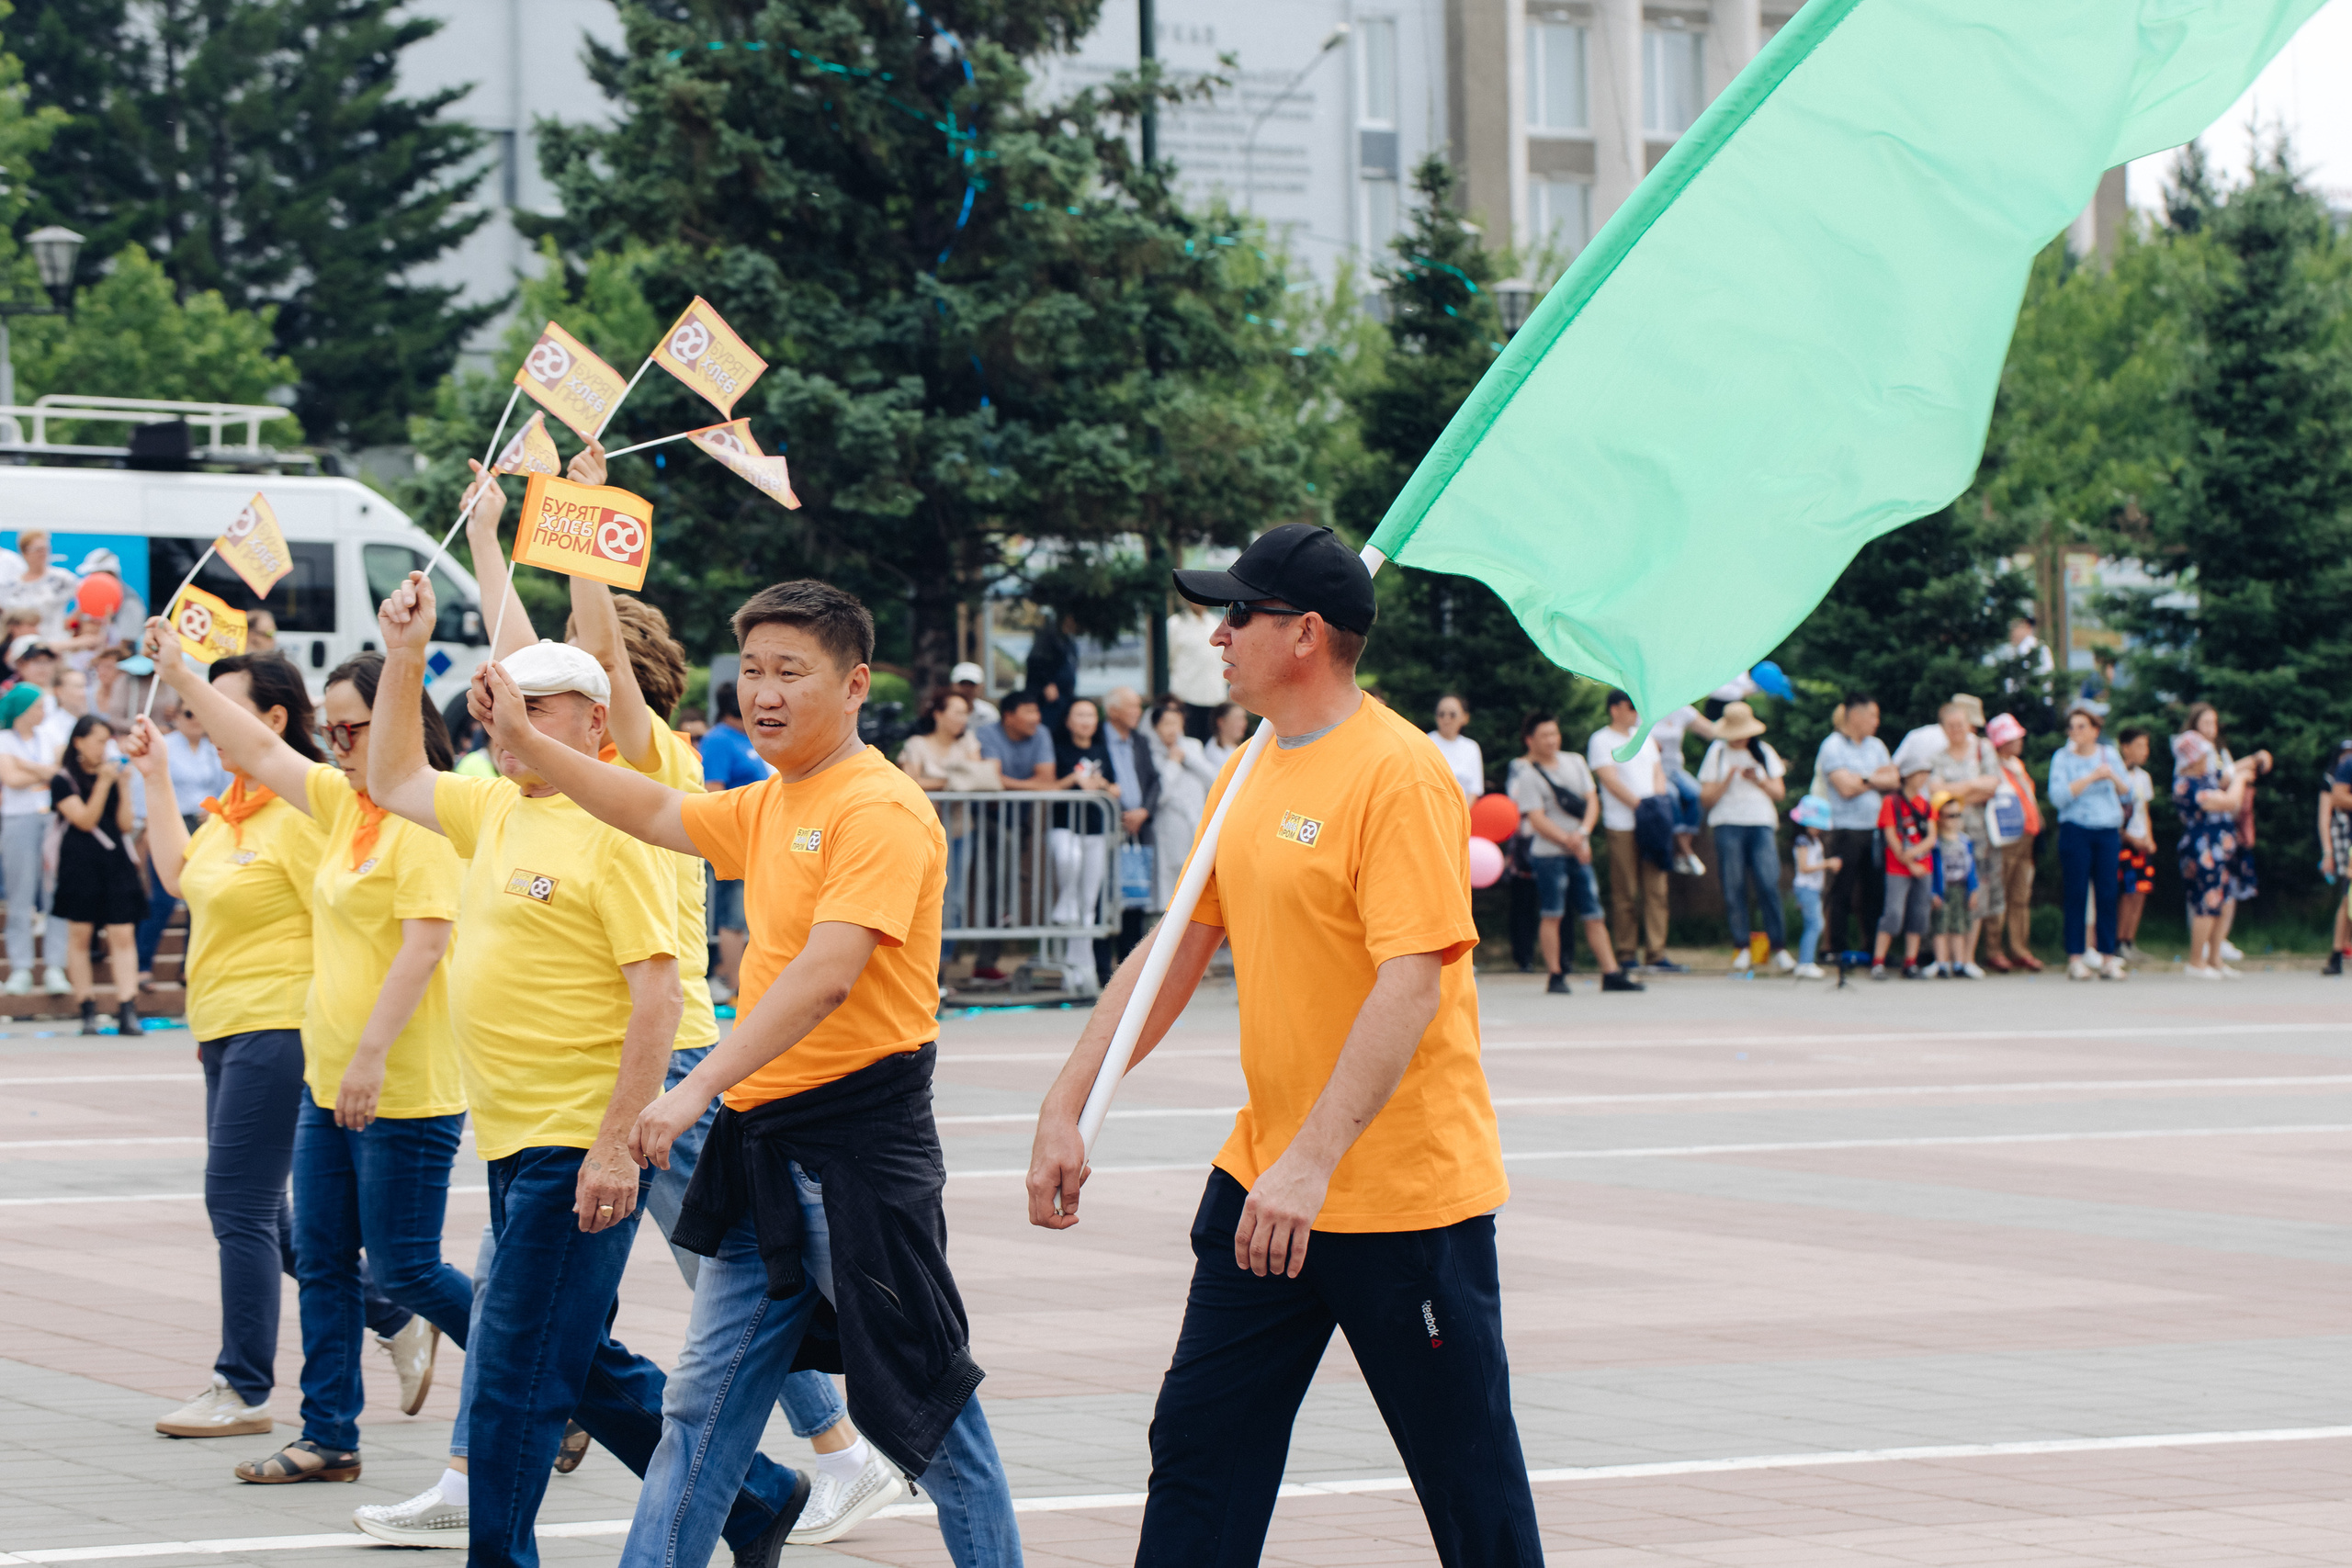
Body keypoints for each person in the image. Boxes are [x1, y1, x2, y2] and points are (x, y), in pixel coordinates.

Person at [459, 576, 1023, 1568]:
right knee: (698, 1411)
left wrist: (690, 1088)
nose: (764, 692)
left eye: (790, 671)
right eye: (753, 670)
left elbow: (827, 974)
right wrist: (531, 744)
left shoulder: (880, 807)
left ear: (855, 685)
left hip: (859, 1155)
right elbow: (649, 807)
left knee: (928, 1414)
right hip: (763, 1154)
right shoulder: (771, 801)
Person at [1026, 524, 1543, 1566]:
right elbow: (1173, 951)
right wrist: (1067, 1101)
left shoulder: (1399, 773)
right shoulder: (1247, 767)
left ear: (1305, 634)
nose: (1217, 635)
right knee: (1199, 1450)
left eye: (1237, 614)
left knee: (1469, 1484)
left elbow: (1412, 980)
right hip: (1261, 1183)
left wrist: (1313, 1161)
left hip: (1398, 1197)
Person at [365, 565, 815, 1568]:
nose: (509, 725)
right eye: (501, 704)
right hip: (513, 1136)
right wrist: (404, 657)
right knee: (559, 1355)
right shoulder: (497, 806)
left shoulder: (623, 825)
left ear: (595, 720)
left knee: (511, 1379)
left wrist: (615, 1147)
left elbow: (660, 996)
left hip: (576, 1143)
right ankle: (753, 1495)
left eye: (538, 708)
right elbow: (390, 779)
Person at [141, 632, 467, 1482]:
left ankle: (563, 1374)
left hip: (401, 1080)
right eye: (332, 729)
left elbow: (426, 945)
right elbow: (256, 746)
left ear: (398, 725)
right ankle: (329, 1437)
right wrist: (179, 676)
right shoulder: (340, 803)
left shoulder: (427, 816)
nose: (338, 743)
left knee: (408, 1268)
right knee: (321, 1258)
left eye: (353, 728)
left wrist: (369, 1057)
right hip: (326, 1072)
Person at [124, 653, 336, 1436]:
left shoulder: (305, 809)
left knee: (236, 1204)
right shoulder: (235, 808)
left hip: (278, 1023)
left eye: (220, 707)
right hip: (222, 1025)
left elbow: (346, 917)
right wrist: (153, 775)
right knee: (263, 1210)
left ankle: (242, 1386)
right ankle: (391, 1307)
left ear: (273, 720)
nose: (202, 722)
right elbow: (178, 877)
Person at [1511, 712, 1641, 995]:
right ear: (1530, 740)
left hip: (1579, 850)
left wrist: (1582, 834)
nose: (1551, 740)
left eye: (1554, 733)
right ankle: (1555, 973)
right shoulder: (1528, 773)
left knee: (1594, 913)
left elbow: (1592, 800)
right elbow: (1536, 817)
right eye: (1544, 735)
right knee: (1552, 913)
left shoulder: (1575, 761)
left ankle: (1610, 972)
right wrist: (1570, 841)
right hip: (1549, 854)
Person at [50, 714, 144, 1034]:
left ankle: (127, 1006)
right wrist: (103, 783)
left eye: (107, 741)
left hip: (115, 860)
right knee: (80, 934)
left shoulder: (114, 774)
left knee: (123, 933)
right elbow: (85, 820)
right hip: (80, 863)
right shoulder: (63, 779)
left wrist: (123, 785)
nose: (104, 748)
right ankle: (86, 1006)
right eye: (99, 741)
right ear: (79, 742)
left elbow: (126, 824)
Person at [899, 688, 994, 978]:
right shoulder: (916, 744)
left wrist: (935, 783)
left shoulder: (968, 742)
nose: (963, 718)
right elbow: (909, 781)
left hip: (959, 830)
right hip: (922, 833)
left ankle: (941, 967)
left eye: (966, 713)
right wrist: (952, 781)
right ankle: (919, 967)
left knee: (954, 900)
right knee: (920, 897)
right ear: (938, 714)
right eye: (957, 712)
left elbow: (979, 779)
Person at [1695, 701, 1791, 974]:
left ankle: (1779, 947)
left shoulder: (1764, 752)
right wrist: (1727, 780)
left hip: (1760, 822)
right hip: (1728, 823)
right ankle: (1742, 946)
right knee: (1733, 885)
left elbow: (1779, 793)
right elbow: (1706, 798)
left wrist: (1757, 779)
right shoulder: (1717, 752)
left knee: (1768, 883)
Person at [968, 691, 1057, 982]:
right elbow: (993, 780)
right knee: (987, 885)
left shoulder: (1041, 734)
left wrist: (1011, 786)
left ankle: (987, 961)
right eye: (1029, 711)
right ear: (1008, 716)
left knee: (999, 882)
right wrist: (1031, 786)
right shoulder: (987, 734)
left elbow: (1047, 779)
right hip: (982, 819)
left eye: (1037, 711)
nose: (1036, 718)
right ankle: (977, 956)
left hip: (1017, 820)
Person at [2174, 705, 2267, 980]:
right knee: (2206, 902)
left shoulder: (2207, 778)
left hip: (2220, 846)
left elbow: (2226, 773)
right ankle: (2196, 961)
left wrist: (2252, 761)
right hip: (2203, 847)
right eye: (2203, 756)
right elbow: (2229, 800)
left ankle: (2214, 959)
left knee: (2222, 900)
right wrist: (2241, 780)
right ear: (2193, 759)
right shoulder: (2187, 784)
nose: (2207, 759)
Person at [1591, 690, 1679, 972]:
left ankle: (1656, 952)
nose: (1635, 712)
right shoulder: (1601, 740)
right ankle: (1627, 952)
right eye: (1631, 706)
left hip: (1652, 822)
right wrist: (1640, 806)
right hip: (1622, 823)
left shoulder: (1646, 737)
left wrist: (1656, 804)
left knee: (1657, 889)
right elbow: (1609, 779)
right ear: (1614, 709)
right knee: (1625, 890)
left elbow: (1658, 773)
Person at [700, 682, 774, 1001]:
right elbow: (713, 791)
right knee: (733, 917)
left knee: (751, 915)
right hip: (737, 841)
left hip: (760, 839)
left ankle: (739, 979)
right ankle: (734, 984)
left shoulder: (745, 738)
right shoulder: (719, 740)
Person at [1917, 701, 2000, 977]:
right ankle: (1945, 958)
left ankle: (1967, 958)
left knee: (1976, 894)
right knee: (1945, 894)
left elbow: (1991, 785)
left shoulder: (1982, 749)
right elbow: (1936, 793)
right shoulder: (1938, 757)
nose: (1956, 730)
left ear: (1968, 725)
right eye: (1950, 726)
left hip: (1979, 833)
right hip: (1947, 836)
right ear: (1943, 728)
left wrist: (1953, 792)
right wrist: (1972, 786)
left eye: (1960, 725)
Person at [2048, 706, 2130, 981]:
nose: (2076, 732)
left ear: (2095, 731)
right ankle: (2075, 956)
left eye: (2082, 726)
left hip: (2106, 829)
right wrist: (2091, 777)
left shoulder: (2109, 755)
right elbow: (2058, 796)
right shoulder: (2063, 758)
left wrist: (2111, 776)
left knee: (2107, 893)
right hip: (2076, 828)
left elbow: (2127, 791)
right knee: (2076, 892)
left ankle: (2108, 957)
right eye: (2072, 727)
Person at [1815, 693, 1898, 961]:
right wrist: (1874, 780)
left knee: (1874, 891)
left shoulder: (1876, 746)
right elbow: (1845, 788)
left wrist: (1862, 779)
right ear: (1855, 715)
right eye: (1872, 715)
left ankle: (1873, 948)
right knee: (1841, 889)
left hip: (1873, 829)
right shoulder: (1833, 746)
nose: (1877, 721)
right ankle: (1835, 948)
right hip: (1844, 829)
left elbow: (1893, 780)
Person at [0, 682, 69, 997]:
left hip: (50, 817)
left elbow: (61, 772)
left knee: (55, 891)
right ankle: (21, 966)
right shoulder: (4, 739)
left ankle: (56, 965)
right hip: (18, 818)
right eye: (37, 706)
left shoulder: (50, 735)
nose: (42, 712)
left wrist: (28, 765)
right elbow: (12, 779)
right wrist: (45, 771)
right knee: (20, 894)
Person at [1047, 696, 1120, 983]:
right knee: (1069, 860)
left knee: (1088, 903)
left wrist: (1101, 784)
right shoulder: (1057, 748)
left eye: (1090, 715)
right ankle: (1064, 901)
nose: (1086, 721)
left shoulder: (1102, 748)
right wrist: (1074, 780)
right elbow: (1049, 786)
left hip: (1096, 828)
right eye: (1079, 715)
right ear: (1068, 720)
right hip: (1064, 826)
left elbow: (1115, 788)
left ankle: (1081, 969)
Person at [1097, 686, 1159, 973]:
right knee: (1103, 896)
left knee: (1134, 897)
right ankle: (1102, 970)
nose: (1138, 712)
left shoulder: (1140, 740)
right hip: (1107, 826)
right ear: (1113, 711)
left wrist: (1144, 811)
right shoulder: (1097, 739)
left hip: (1138, 829)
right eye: (1132, 706)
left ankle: (1129, 970)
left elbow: (1154, 781)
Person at [1146, 698, 1217, 911]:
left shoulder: (1193, 746)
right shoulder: (1150, 753)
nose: (1172, 729)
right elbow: (1160, 794)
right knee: (1171, 877)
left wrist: (1187, 758)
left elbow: (1214, 778)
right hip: (1169, 824)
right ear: (1156, 727)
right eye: (1166, 724)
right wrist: (1173, 763)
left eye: (1176, 723)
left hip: (1197, 820)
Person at [1984, 713, 2042, 971]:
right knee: (1999, 893)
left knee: (2020, 895)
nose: (2019, 741)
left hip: (2026, 836)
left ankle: (2020, 948)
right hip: (2005, 838)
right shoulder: (1993, 767)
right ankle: (1993, 949)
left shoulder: (2017, 765)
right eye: (2014, 737)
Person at [1871, 766, 1934, 979]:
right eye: (1919, 774)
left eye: (1926, 774)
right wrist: (1909, 862)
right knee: (1893, 913)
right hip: (1897, 867)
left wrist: (1914, 854)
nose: (1923, 778)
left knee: (1919, 913)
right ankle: (1878, 962)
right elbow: (1890, 835)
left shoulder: (1925, 803)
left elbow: (1931, 837)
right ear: (1907, 776)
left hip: (1923, 867)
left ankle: (1910, 962)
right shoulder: (1892, 802)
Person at [1648, 702, 1716, 875]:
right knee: (1671, 796)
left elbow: (1711, 731)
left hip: (1676, 769)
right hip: (1654, 770)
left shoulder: (1681, 709)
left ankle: (1682, 852)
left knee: (1697, 794)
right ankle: (1688, 852)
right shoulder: (1645, 710)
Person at [2115, 724, 2157, 962]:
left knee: (2141, 890)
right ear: (2125, 747)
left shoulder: (2144, 777)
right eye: (2140, 745)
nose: (2145, 751)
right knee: (2127, 891)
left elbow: (2144, 811)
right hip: (2125, 842)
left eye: (2146, 746)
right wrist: (2131, 838)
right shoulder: (2117, 774)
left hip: (2142, 841)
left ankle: (2131, 940)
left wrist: (2149, 838)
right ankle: (2118, 941)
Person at [1928, 795, 1981, 977]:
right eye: (1950, 815)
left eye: (1958, 815)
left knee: (1959, 926)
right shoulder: (1935, 843)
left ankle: (1959, 963)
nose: (1955, 819)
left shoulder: (1965, 841)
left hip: (1960, 888)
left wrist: (1973, 889)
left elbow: (1971, 867)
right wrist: (1932, 892)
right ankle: (1941, 962)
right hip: (1943, 889)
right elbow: (1932, 870)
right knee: (1940, 925)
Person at [0, 530, 82, 643]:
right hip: (20, 645)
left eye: (45, 549)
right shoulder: (12, 585)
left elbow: (86, 596)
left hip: (53, 642)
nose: (43, 554)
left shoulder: (61, 579)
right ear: (25, 552)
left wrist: (70, 621)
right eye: (38, 550)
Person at [1788, 795, 1838, 978]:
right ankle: (1805, 963)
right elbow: (1804, 867)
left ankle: (1806, 961)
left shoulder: (1814, 841)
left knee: (1814, 924)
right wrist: (1828, 864)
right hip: (1806, 887)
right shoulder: (1802, 842)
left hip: (1813, 889)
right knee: (1815, 924)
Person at [1166, 600, 1227, 738]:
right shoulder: (1175, 624)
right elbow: (1169, 660)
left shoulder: (1215, 623)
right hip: (1186, 698)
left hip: (1214, 697)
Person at [2323, 739, 2352, 975]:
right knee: (2348, 897)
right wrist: (2328, 852)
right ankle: (2336, 954)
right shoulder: (2348, 765)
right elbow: (2338, 798)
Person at [1428, 694, 1483, 808]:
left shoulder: (1471, 747)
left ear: (1465, 718)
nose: (1446, 719)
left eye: (1452, 715)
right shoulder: (1427, 742)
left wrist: (1462, 813)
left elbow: (1475, 788)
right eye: (1441, 714)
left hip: (1462, 810)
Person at [948, 660, 1000, 728]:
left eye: (972, 684)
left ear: (981, 686)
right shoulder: (942, 710)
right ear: (953, 685)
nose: (967, 688)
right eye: (963, 683)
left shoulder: (988, 713)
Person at [1202, 699, 1249, 767]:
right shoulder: (1214, 753)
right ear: (1221, 722)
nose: (1244, 723)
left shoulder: (1243, 747)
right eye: (1238, 719)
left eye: (1244, 718)